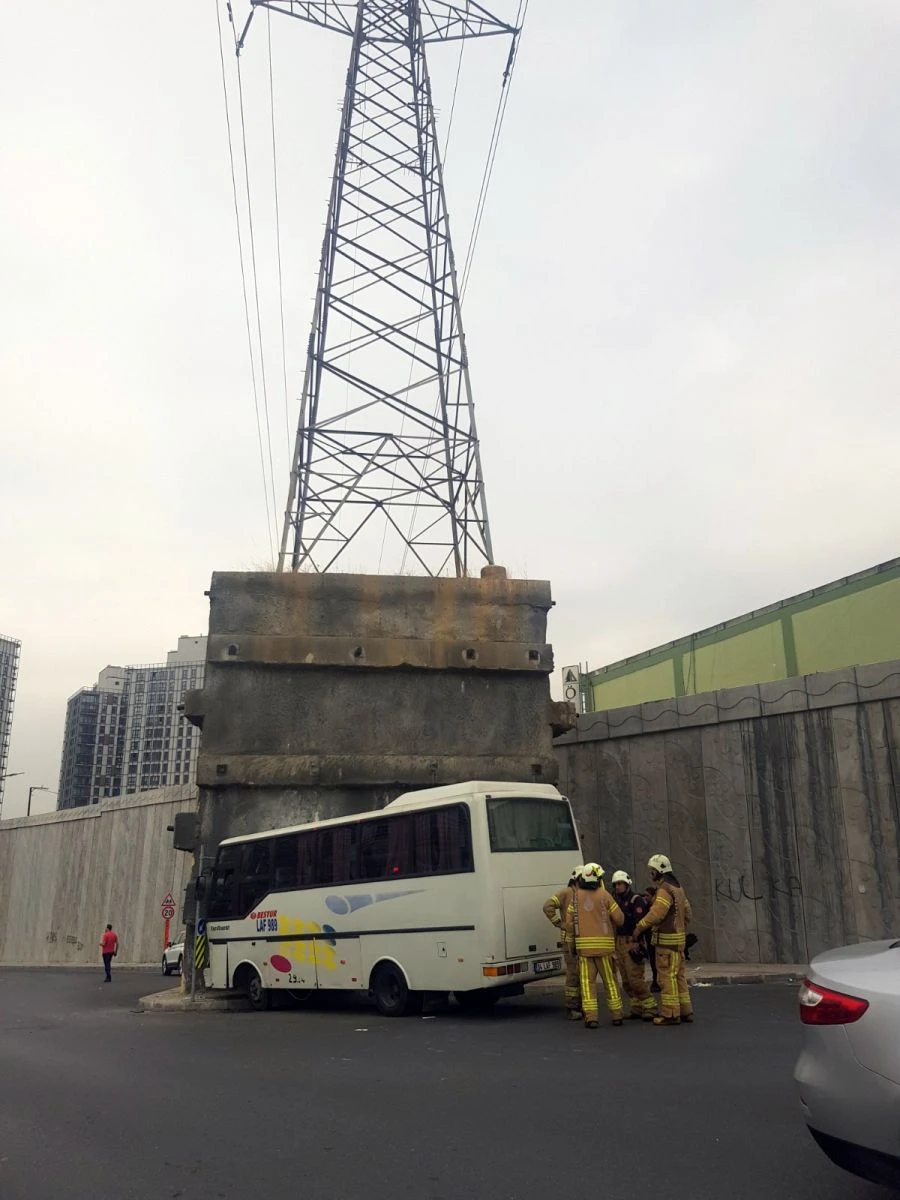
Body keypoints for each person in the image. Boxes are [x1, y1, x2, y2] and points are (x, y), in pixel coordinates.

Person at [632, 855, 693, 1026]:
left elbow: (656, 914)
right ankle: (685, 1011)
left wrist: (639, 927)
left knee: (666, 978)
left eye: (652, 870)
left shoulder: (664, 890)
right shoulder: (678, 888)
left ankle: (671, 1014)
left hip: (666, 944)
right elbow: (688, 913)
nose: (650, 873)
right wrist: (680, 926)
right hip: (679, 942)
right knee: (679, 977)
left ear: (658, 870)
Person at [572, 862, 625, 1028]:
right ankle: (617, 1015)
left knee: (588, 984)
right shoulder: (605, 895)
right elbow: (619, 919)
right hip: (605, 949)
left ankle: (591, 1017)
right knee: (610, 982)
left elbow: (568, 922)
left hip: (584, 951)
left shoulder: (575, 897)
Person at [609, 870, 655, 1021]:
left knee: (635, 979)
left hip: (632, 943)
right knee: (626, 981)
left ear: (627, 884)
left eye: (620, 884)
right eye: (616, 884)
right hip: (620, 943)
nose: (618, 887)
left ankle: (650, 1007)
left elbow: (641, 923)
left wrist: (637, 941)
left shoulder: (636, 901)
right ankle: (637, 1008)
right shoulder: (616, 902)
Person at [543, 865, 583, 1019]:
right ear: (576, 879)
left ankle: (580, 1005)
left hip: (581, 941)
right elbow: (548, 906)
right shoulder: (566, 893)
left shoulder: (582, 894)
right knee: (573, 974)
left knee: (582, 974)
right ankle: (571, 1007)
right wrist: (560, 923)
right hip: (569, 942)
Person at [643, 885, 660, 992]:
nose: (645, 897)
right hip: (649, 938)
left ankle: (657, 982)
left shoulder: (655, 908)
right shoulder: (646, 906)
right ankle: (656, 980)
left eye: (647, 895)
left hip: (655, 938)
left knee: (656, 961)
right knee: (653, 961)